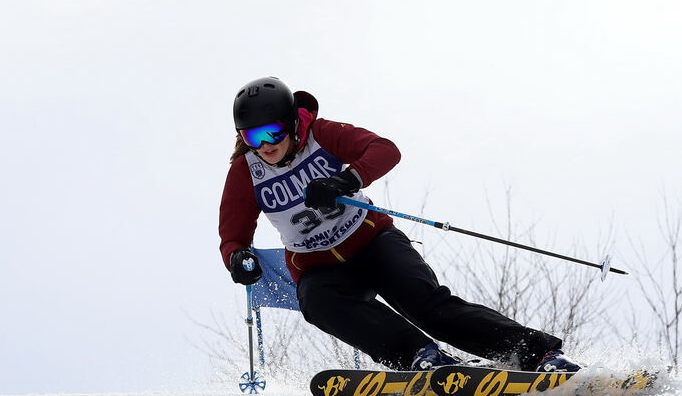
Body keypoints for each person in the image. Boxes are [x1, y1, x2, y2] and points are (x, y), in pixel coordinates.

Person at [218, 76, 580, 373]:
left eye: (273, 131)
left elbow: (384, 149)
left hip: (371, 241)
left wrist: (347, 180)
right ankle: (419, 356)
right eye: (253, 137)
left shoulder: (323, 135)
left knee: (426, 305)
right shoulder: (246, 172)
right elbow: (233, 234)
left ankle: (537, 353)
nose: (266, 145)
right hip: (318, 266)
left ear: (293, 122)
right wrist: (238, 258)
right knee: (316, 302)